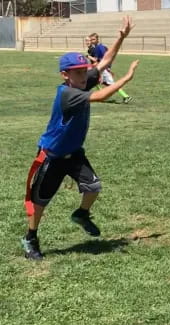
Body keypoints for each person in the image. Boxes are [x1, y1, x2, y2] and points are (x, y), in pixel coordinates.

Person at [22, 17, 139, 260]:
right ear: (65, 75)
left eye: (84, 70)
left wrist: (121, 37)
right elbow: (101, 96)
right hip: (52, 156)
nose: (84, 75)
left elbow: (105, 62)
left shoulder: (82, 82)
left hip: (74, 153)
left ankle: (81, 214)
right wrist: (126, 79)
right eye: (77, 72)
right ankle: (30, 238)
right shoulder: (68, 94)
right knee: (40, 201)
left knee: (93, 187)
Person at [89, 32, 133, 104]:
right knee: (95, 81)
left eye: (93, 39)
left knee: (111, 84)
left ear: (97, 39)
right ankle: (101, 95)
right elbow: (110, 56)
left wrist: (88, 57)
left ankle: (126, 96)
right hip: (103, 68)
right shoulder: (103, 47)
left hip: (102, 69)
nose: (91, 41)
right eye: (91, 40)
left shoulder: (97, 48)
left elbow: (98, 59)